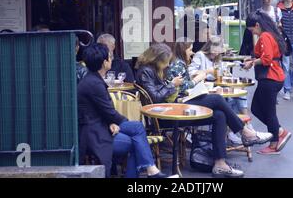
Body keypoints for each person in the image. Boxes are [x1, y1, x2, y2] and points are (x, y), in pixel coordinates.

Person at [135, 43, 273, 178]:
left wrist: (177, 89)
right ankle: (245, 132)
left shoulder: (153, 70)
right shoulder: (145, 72)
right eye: (165, 62)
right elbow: (156, 98)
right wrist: (172, 85)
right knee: (217, 99)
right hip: (164, 116)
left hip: (171, 108)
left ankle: (220, 163)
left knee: (219, 115)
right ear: (157, 59)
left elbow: (161, 93)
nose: (167, 65)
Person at [78, 43, 166, 178]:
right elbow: (110, 112)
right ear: (104, 62)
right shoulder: (94, 83)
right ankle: (150, 170)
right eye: (109, 57)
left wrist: (112, 123)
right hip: (95, 134)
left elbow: (103, 111)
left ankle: (150, 169)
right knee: (136, 139)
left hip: (100, 126)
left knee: (137, 131)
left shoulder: (92, 79)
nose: (111, 59)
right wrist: (116, 122)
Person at [243, 11, 292, 155]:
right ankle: (280, 132)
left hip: (270, 78)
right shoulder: (270, 34)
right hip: (272, 77)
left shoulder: (264, 36)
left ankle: (274, 144)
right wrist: (252, 60)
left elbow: (267, 59)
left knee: (269, 112)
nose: (253, 33)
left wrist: (251, 63)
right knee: (257, 108)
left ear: (257, 25)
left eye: (252, 30)